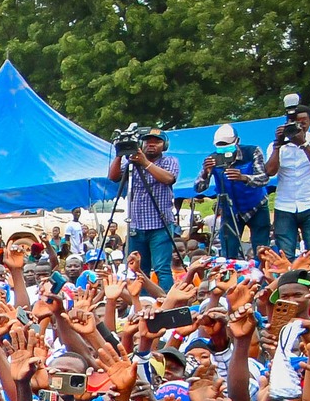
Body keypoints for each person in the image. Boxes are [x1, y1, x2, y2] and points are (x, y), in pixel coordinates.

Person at [107, 125, 179, 291]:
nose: (151, 145)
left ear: (164, 145)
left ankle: (166, 302)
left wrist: (145, 162)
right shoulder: (131, 162)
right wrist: (120, 154)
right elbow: (113, 177)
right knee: (138, 269)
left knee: (162, 269)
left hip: (160, 225)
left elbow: (168, 179)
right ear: (141, 143)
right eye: (148, 142)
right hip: (136, 226)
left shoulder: (170, 161)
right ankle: (143, 302)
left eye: (157, 142)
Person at [193, 123, 271, 261]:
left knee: (262, 250)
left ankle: (264, 279)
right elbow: (198, 188)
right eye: (220, 146)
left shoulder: (252, 152)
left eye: (227, 145)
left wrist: (243, 177)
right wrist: (206, 172)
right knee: (228, 252)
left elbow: (264, 178)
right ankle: (231, 277)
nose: (224, 150)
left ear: (237, 141)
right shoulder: (212, 159)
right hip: (230, 210)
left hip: (256, 206)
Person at [266, 98, 310, 254]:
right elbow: (269, 171)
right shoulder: (277, 145)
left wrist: (303, 144)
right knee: (285, 252)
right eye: (296, 121)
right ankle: (288, 278)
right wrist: (277, 145)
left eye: (304, 121)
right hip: (285, 205)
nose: (300, 125)